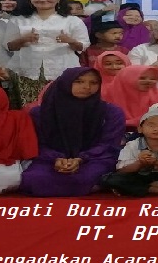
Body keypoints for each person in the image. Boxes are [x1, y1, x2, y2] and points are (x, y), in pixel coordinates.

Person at [19, 67, 125, 196]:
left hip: (94, 159)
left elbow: (109, 145)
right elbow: (37, 145)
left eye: (93, 83)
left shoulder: (111, 112)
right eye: (79, 81)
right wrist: (56, 158)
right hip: (48, 160)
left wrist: (81, 158)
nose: (87, 87)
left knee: (86, 177)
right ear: (65, 82)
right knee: (33, 179)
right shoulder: (41, 113)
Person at [4, 0, 90, 106]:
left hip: (61, 70)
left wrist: (70, 41)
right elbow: (9, 46)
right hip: (26, 71)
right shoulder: (17, 20)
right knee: (29, 107)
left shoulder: (73, 21)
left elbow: (83, 46)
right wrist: (23, 40)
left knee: (60, 105)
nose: (43, 0)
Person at [106, 65, 158, 129]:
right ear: (126, 78)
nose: (148, 81)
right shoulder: (107, 95)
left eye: (153, 78)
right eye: (142, 78)